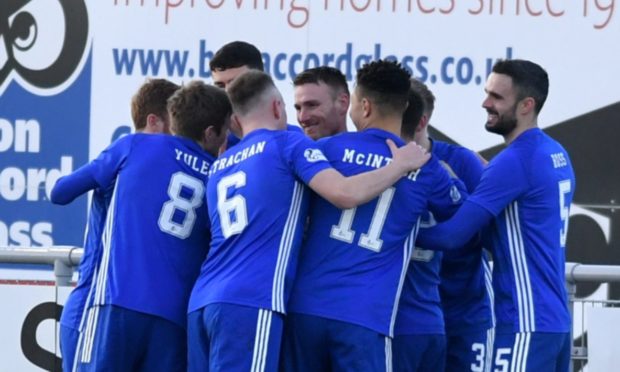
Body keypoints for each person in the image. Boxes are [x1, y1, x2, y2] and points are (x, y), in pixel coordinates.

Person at [187, 70, 430, 372]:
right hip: (252, 300)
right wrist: (399, 166)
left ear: (236, 120)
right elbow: (344, 193)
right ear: (277, 107)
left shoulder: (221, 164)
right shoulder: (288, 144)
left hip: (202, 300)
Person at [282, 60, 465, 372]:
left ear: (364, 106)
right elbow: (460, 212)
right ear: (405, 106)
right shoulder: (426, 168)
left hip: (305, 309)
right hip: (365, 317)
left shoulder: (327, 149)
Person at [52, 81, 231, 371]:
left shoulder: (134, 145)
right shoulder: (218, 175)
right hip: (174, 317)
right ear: (211, 133)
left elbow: (59, 193)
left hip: (117, 301)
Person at [416, 59, 575, 371]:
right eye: (487, 93)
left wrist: (392, 232)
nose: (485, 103)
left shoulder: (515, 161)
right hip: (554, 322)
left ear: (527, 105)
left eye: (497, 97)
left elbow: (452, 236)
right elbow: (508, 231)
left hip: (524, 321)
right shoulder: (554, 152)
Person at [393, 79, 494, 372]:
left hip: (464, 311)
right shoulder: (383, 160)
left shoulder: (462, 162)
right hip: (409, 317)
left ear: (421, 121)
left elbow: (487, 234)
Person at [209, 40, 302, 148]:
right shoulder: (211, 141)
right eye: (220, 86)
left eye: (237, 83)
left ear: (260, 79)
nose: (228, 92)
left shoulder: (296, 140)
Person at [293, 66, 349, 139]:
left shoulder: (366, 148)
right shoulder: (289, 148)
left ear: (342, 103)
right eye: (298, 108)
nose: (302, 118)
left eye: (311, 105)